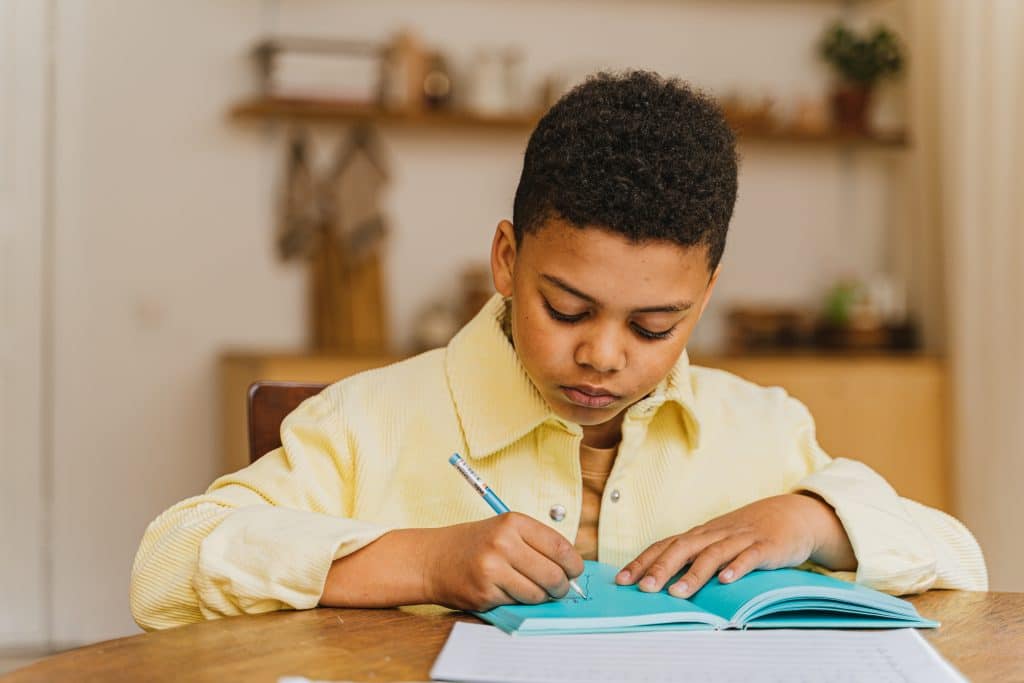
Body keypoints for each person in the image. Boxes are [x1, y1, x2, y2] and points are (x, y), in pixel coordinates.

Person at [130, 71, 986, 631]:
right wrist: (423, 559)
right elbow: (166, 566)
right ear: (506, 259)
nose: (605, 355)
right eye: (567, 308)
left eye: (655, 326)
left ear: (706, 296)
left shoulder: (761, 432)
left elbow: (963, 563)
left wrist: (814, 519)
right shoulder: (371, 419)